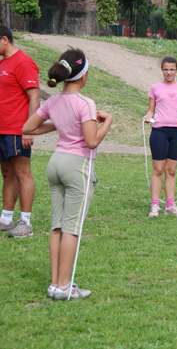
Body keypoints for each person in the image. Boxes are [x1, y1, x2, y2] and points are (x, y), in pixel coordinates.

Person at [22, 48, 113, 300]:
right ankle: (64, 287)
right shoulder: (86, 103)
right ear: (83, 76)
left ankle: (56, 284)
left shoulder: (52, 101)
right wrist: (107, 121)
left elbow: (28, 127)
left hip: (55, 164)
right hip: (76, 166)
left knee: (57, 227)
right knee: (71, 228)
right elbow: (92, 141)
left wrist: (61, 125)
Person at [0, 24, 40, 238]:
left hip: (18, 129)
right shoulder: (2, 63)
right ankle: (6, 219)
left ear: (4, 39)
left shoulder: (23, 61)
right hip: (2, 130)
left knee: (22, 173)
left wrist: (29, 129)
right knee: (7, 173)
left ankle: (25, 222)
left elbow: (35, 96)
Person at [143, 57, 177, 217]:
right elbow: (151, 110)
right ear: (162, 70)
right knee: (158, 170)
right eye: (166, 69)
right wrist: (147, 116)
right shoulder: (155, 88)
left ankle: (170, 206)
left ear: (176, 70)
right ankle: (155, 206)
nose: (169, 72)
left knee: (171, 170)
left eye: (172, 69)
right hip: (159, 132)